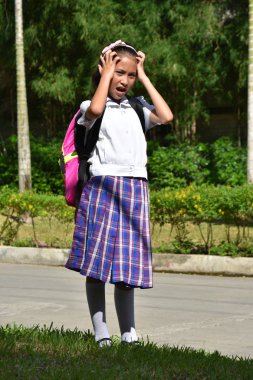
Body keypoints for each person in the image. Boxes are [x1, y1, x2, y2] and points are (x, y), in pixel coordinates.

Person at [65, 40, 173, 346]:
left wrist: (146, 75)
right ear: (104, 71)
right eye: (117, 72)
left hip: (135, 189)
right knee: (97, 267)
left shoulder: (137, 108)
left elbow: (166, 116)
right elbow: (96, 108)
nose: (124, 80)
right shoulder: (90, 107)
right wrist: (106, 72)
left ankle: (129, 333)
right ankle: (102, 334)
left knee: (127, 268)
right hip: (103, 187)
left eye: (130, 74)